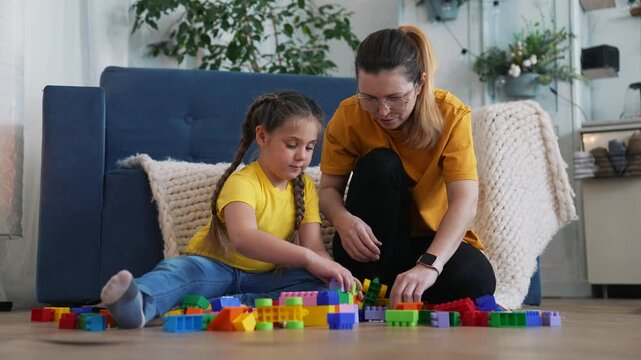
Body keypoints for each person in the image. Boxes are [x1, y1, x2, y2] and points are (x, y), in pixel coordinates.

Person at [101, 91, 358, 329]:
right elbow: (244, 238)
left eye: (310, 147)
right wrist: (306, 257)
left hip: (266, 277)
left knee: (320, 284)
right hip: (217, 268)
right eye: (292, 145)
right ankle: (137, 302)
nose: (302, 156)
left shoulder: (305, 188)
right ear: (262, 137)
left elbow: (314, 248)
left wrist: (337, 274)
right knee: (181, 271)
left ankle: (237, 304)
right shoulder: (243, 182)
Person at [319, 26, 496, 309]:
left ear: (420, 84)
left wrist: (429, 265)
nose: (382, 111)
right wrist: (342, 220)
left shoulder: (450, 114)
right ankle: (373, 291)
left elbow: (465, 200)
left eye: (394, 98)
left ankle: (400, 291)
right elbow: (328, 189)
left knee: (477, 280)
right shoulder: (348, 115)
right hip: (371, 246)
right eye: (370, 98)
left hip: (427, 244)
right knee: (381, 163)